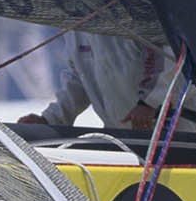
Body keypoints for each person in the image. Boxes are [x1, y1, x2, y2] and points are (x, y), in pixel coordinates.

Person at [18, 33, 181, 129]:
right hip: (121, 138)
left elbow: (167, 55)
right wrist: (50, 119)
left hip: (172, 132)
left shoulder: (134, 6)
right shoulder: (77, 27)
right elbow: (78, 78)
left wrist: (149, 103)